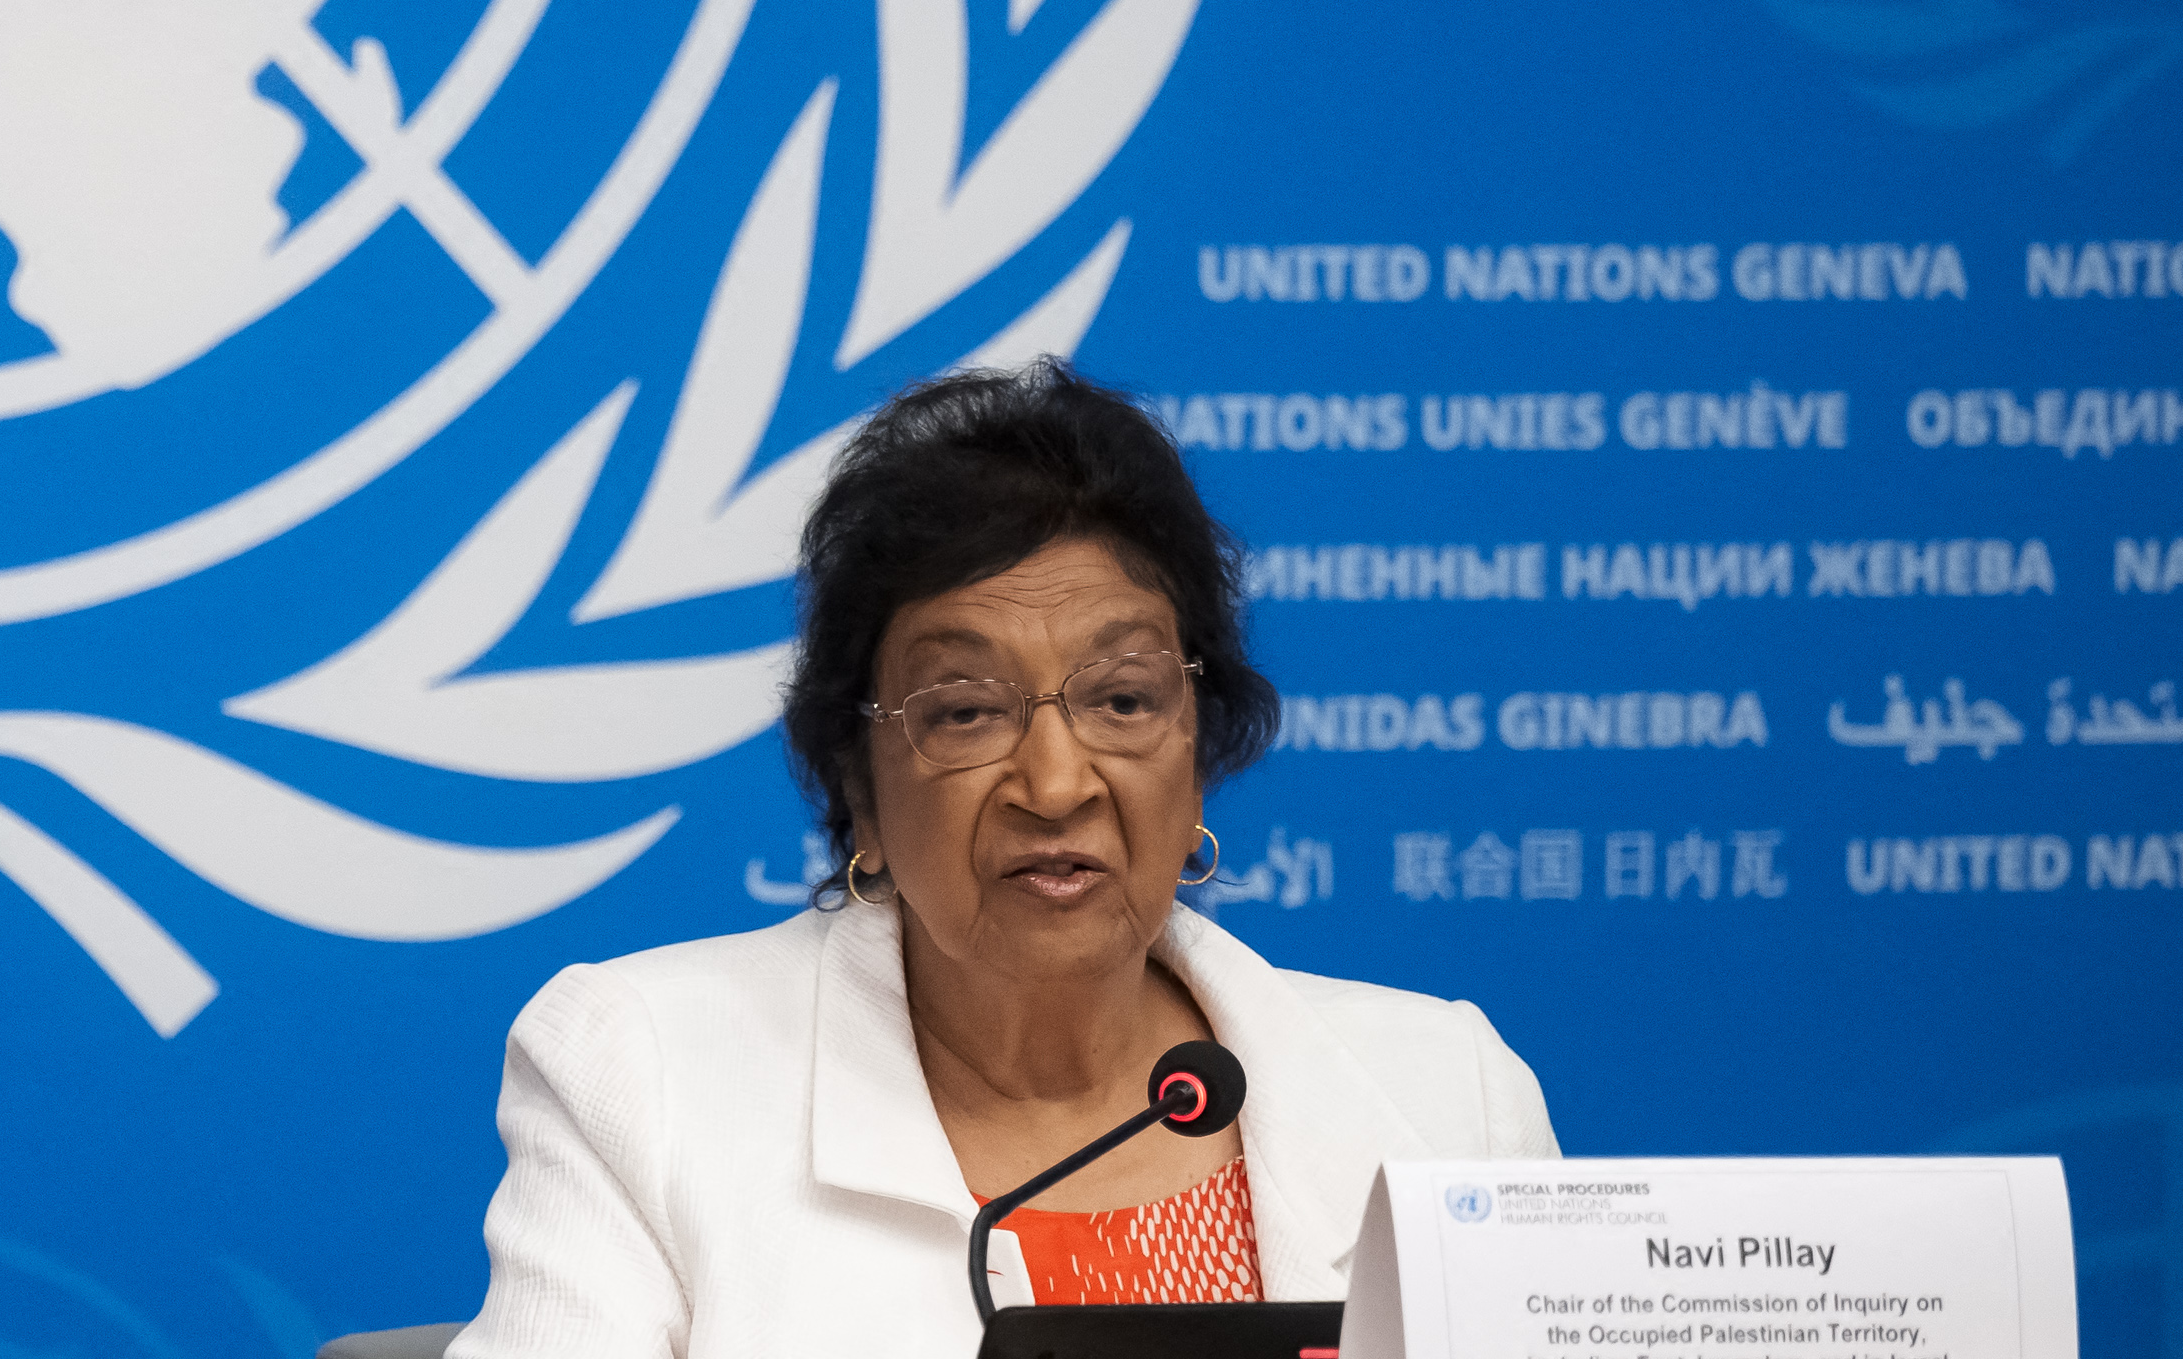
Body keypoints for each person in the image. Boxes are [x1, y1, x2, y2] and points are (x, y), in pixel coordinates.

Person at [451, 362, 1553, 1356]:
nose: (1057, 782)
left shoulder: (1447, 1099)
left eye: (1123, 700)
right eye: (968, 712)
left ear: (1198, 754)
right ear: (856, 786)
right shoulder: (646, 1080)